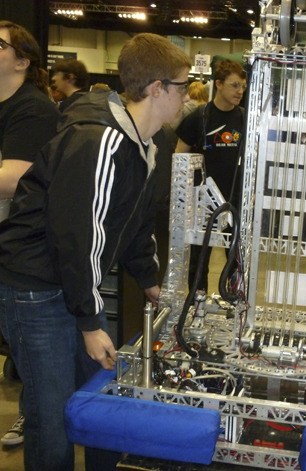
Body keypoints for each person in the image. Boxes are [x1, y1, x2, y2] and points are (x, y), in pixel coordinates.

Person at [0, 33, 191, 470]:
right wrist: (89, 321)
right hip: (34, 287)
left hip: (70, 284)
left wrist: (150, 281)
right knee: (51, 415)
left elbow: (135, 223)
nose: (185, 96)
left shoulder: (147, 142)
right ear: (156, 88)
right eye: (181, 85)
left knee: (101, 399)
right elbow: (79, 235)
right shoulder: (98, 140)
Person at [0, 20, 62, 447]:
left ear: (22, 61)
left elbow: (14, 176)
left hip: (23, 260)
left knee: (40, 377)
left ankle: (33, 417)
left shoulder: (34, 108)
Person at [175, 59, 247, 292]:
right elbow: (179, 156)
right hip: (203, 203)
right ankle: (197, 306)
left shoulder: (246, 119)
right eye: (234, 85)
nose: (240, 91)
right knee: (199, 261)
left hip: (235, 202)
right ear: (218, 84)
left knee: (236, 261)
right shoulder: (199, 117)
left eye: (243, 87)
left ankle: (234, 306)